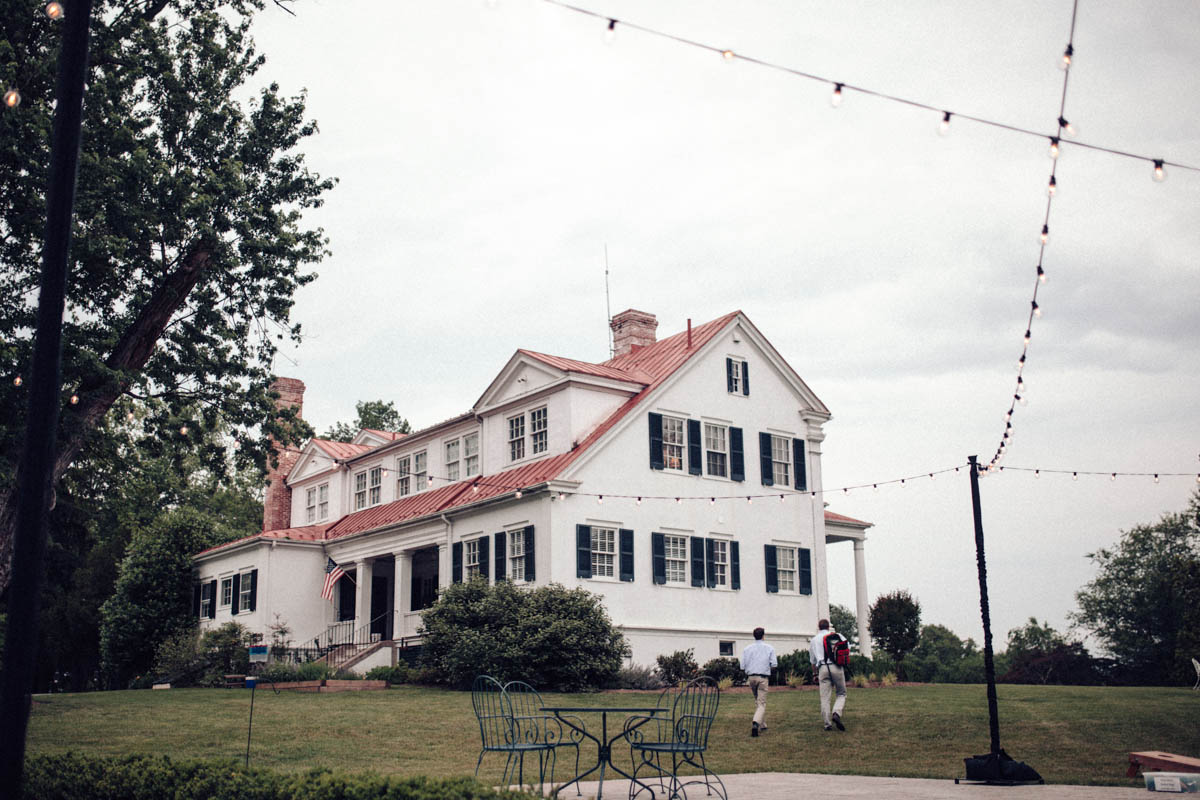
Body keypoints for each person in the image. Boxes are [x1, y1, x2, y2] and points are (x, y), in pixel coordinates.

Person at [809, 618, 847, 731]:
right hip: (836, 666)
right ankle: (836, 712)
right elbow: (846, 648)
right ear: (828, 627)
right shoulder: (838, 636)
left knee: (825, 697)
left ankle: (827, 724)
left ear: (818, 627)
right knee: (841, 693)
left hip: (823, 668)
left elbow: (812, 661)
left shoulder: (814, 640)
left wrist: (814, 674)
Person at [740, 626, 777, 737]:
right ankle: (756, 723)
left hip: (751, 677)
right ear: (763, 636)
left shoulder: (747, 649)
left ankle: (762, 724)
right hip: (762, 677)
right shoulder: (769, 648)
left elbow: (742, 666)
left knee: (758, 701)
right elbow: (774, 664)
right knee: (761, 702)